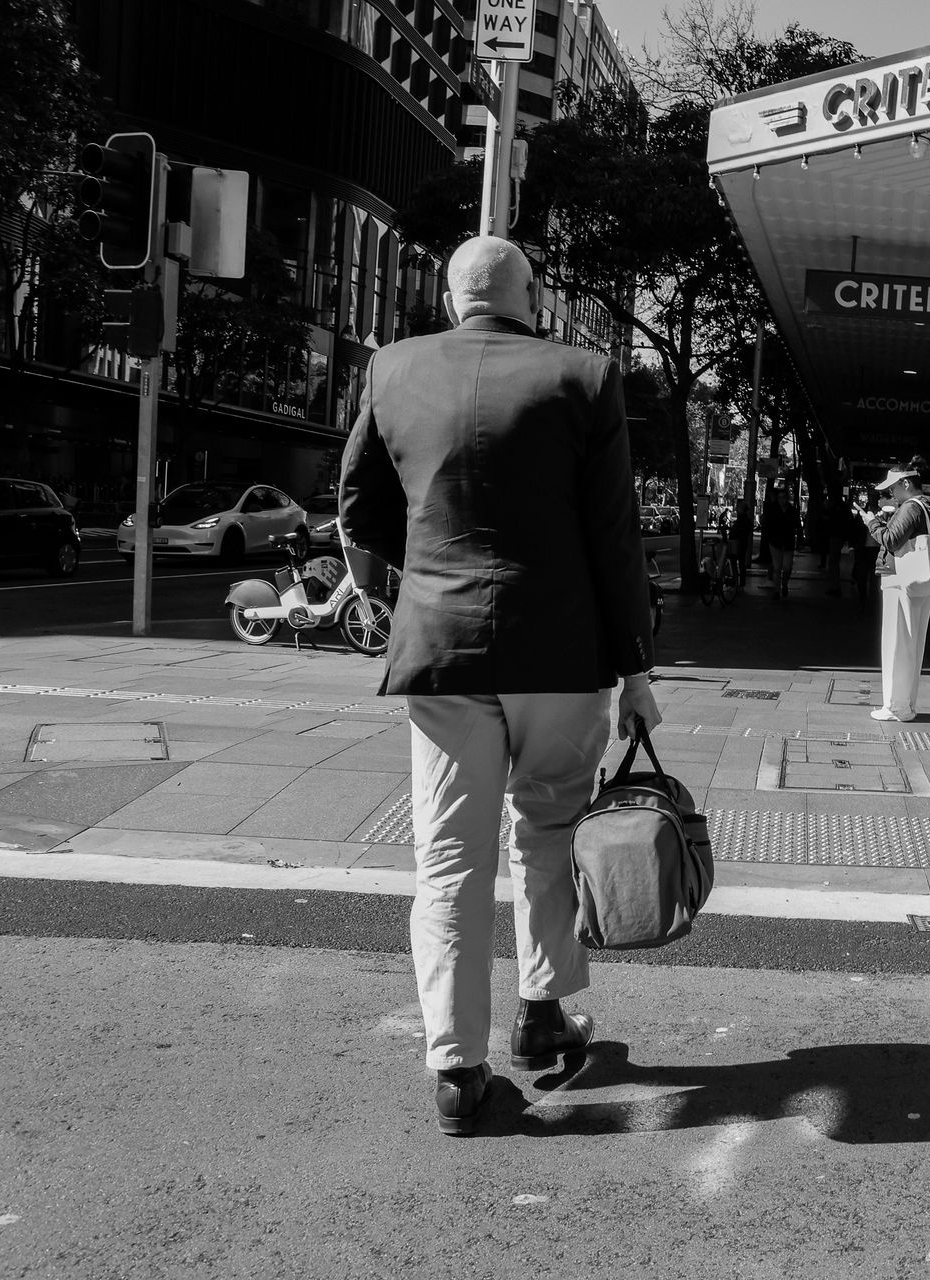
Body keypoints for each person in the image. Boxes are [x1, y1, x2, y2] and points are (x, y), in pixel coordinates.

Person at [339, 236, 662, 1138]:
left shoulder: (392, 369)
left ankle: (455, 1068)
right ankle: (544, 1014)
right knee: (549, 831)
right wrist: (636, 667)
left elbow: (359, 508)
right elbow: (614, 536)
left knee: (448, 859)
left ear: (452, 299)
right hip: (562, 650)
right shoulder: (586, 376)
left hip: (443, 653)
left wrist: (418, 581)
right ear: (531, 296)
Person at [863, 456, 930, 721]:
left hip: (899, 578)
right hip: (921, 578)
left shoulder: (912, 508)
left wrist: (872, 522)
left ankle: (895, 706)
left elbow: (891, 540)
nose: (891, 493)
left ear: (906, 483)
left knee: (895, 642)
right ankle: (907, 705)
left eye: (893, 488)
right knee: (914, 643)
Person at [761, 477, 798, 599]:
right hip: (775, 542)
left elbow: (797, 525)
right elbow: (767, 524)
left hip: (788, 543)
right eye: (780, 498)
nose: (782, 500)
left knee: (787, 567)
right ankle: (777, 590)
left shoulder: (792, 511)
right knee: (777, 568)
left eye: (784, 498)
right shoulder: (773, 510)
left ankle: (784, 584)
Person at [848, 487, 877, 611]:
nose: (873, 498)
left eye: (875, 496)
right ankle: (863, 599)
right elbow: (854, 531)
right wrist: (852, 547)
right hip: (863, 548)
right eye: (871, 496)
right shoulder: (862, 514)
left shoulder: (882, 513)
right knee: (862, 575)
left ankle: (872, 600)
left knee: (874, 577)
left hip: (875, 549)